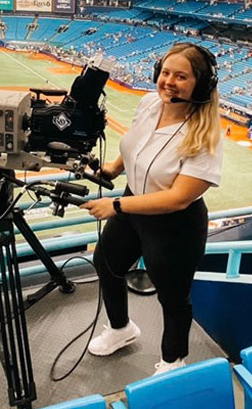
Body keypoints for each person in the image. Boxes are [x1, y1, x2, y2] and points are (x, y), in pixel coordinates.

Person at [81, 42, 223, 376]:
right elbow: (136, 143)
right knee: (106, 263)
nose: (169, 81)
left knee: (173, 298)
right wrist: (113, 170)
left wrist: (116, 204)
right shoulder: (148, 103)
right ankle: (121, 329)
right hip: (133, 206)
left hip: (175, 225)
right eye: (166, 72)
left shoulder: (205, 137)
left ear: (200, 85)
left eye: (182, 77)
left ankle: (173, 361)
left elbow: (178, 198)